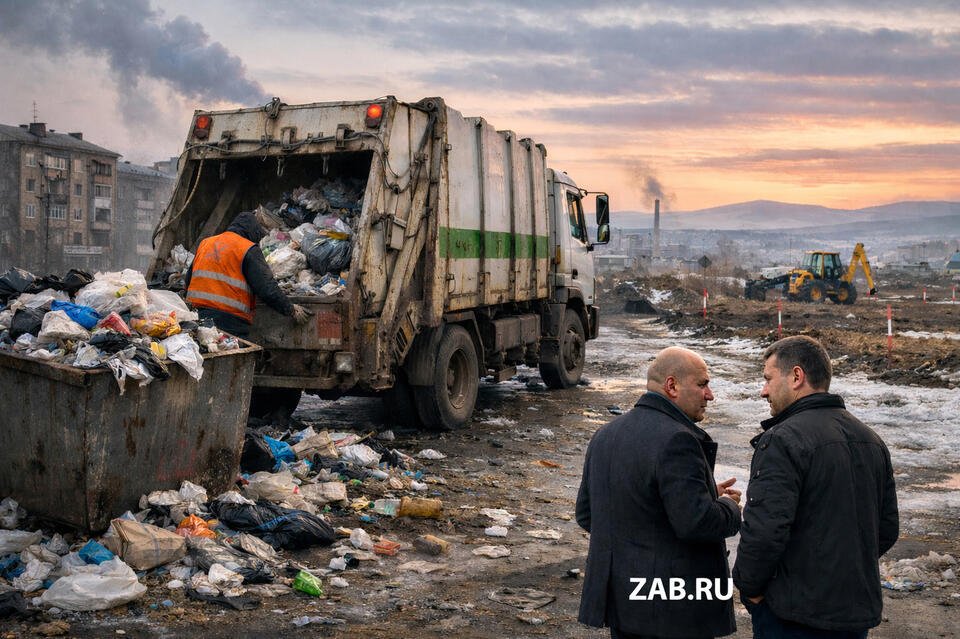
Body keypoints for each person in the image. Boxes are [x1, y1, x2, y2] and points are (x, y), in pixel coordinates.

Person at [733, 335, 899, 638]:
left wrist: (749, 588)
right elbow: (886, 529)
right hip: (853, 613)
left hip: (793, 616)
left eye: (768, 379)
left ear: (797, 376)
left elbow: (765, 530)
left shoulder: (783, 440)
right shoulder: (871, 439)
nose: (763, 390)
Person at [576, 346, 742, 639]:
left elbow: (589, 514)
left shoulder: (605, 435)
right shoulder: (678, 439)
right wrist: (728, 506)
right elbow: (697, 523)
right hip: (672, 613)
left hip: (624, 605)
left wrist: (703, 493)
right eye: (702, 384)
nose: (710, 395)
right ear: (672, 386)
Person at [185, 210, 310, 337]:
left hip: (195, 316)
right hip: (229, 321)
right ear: (252, 232)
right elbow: (267, 288)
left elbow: (188, 280)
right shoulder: (247, 248)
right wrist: (290, 309)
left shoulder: (206, 243)